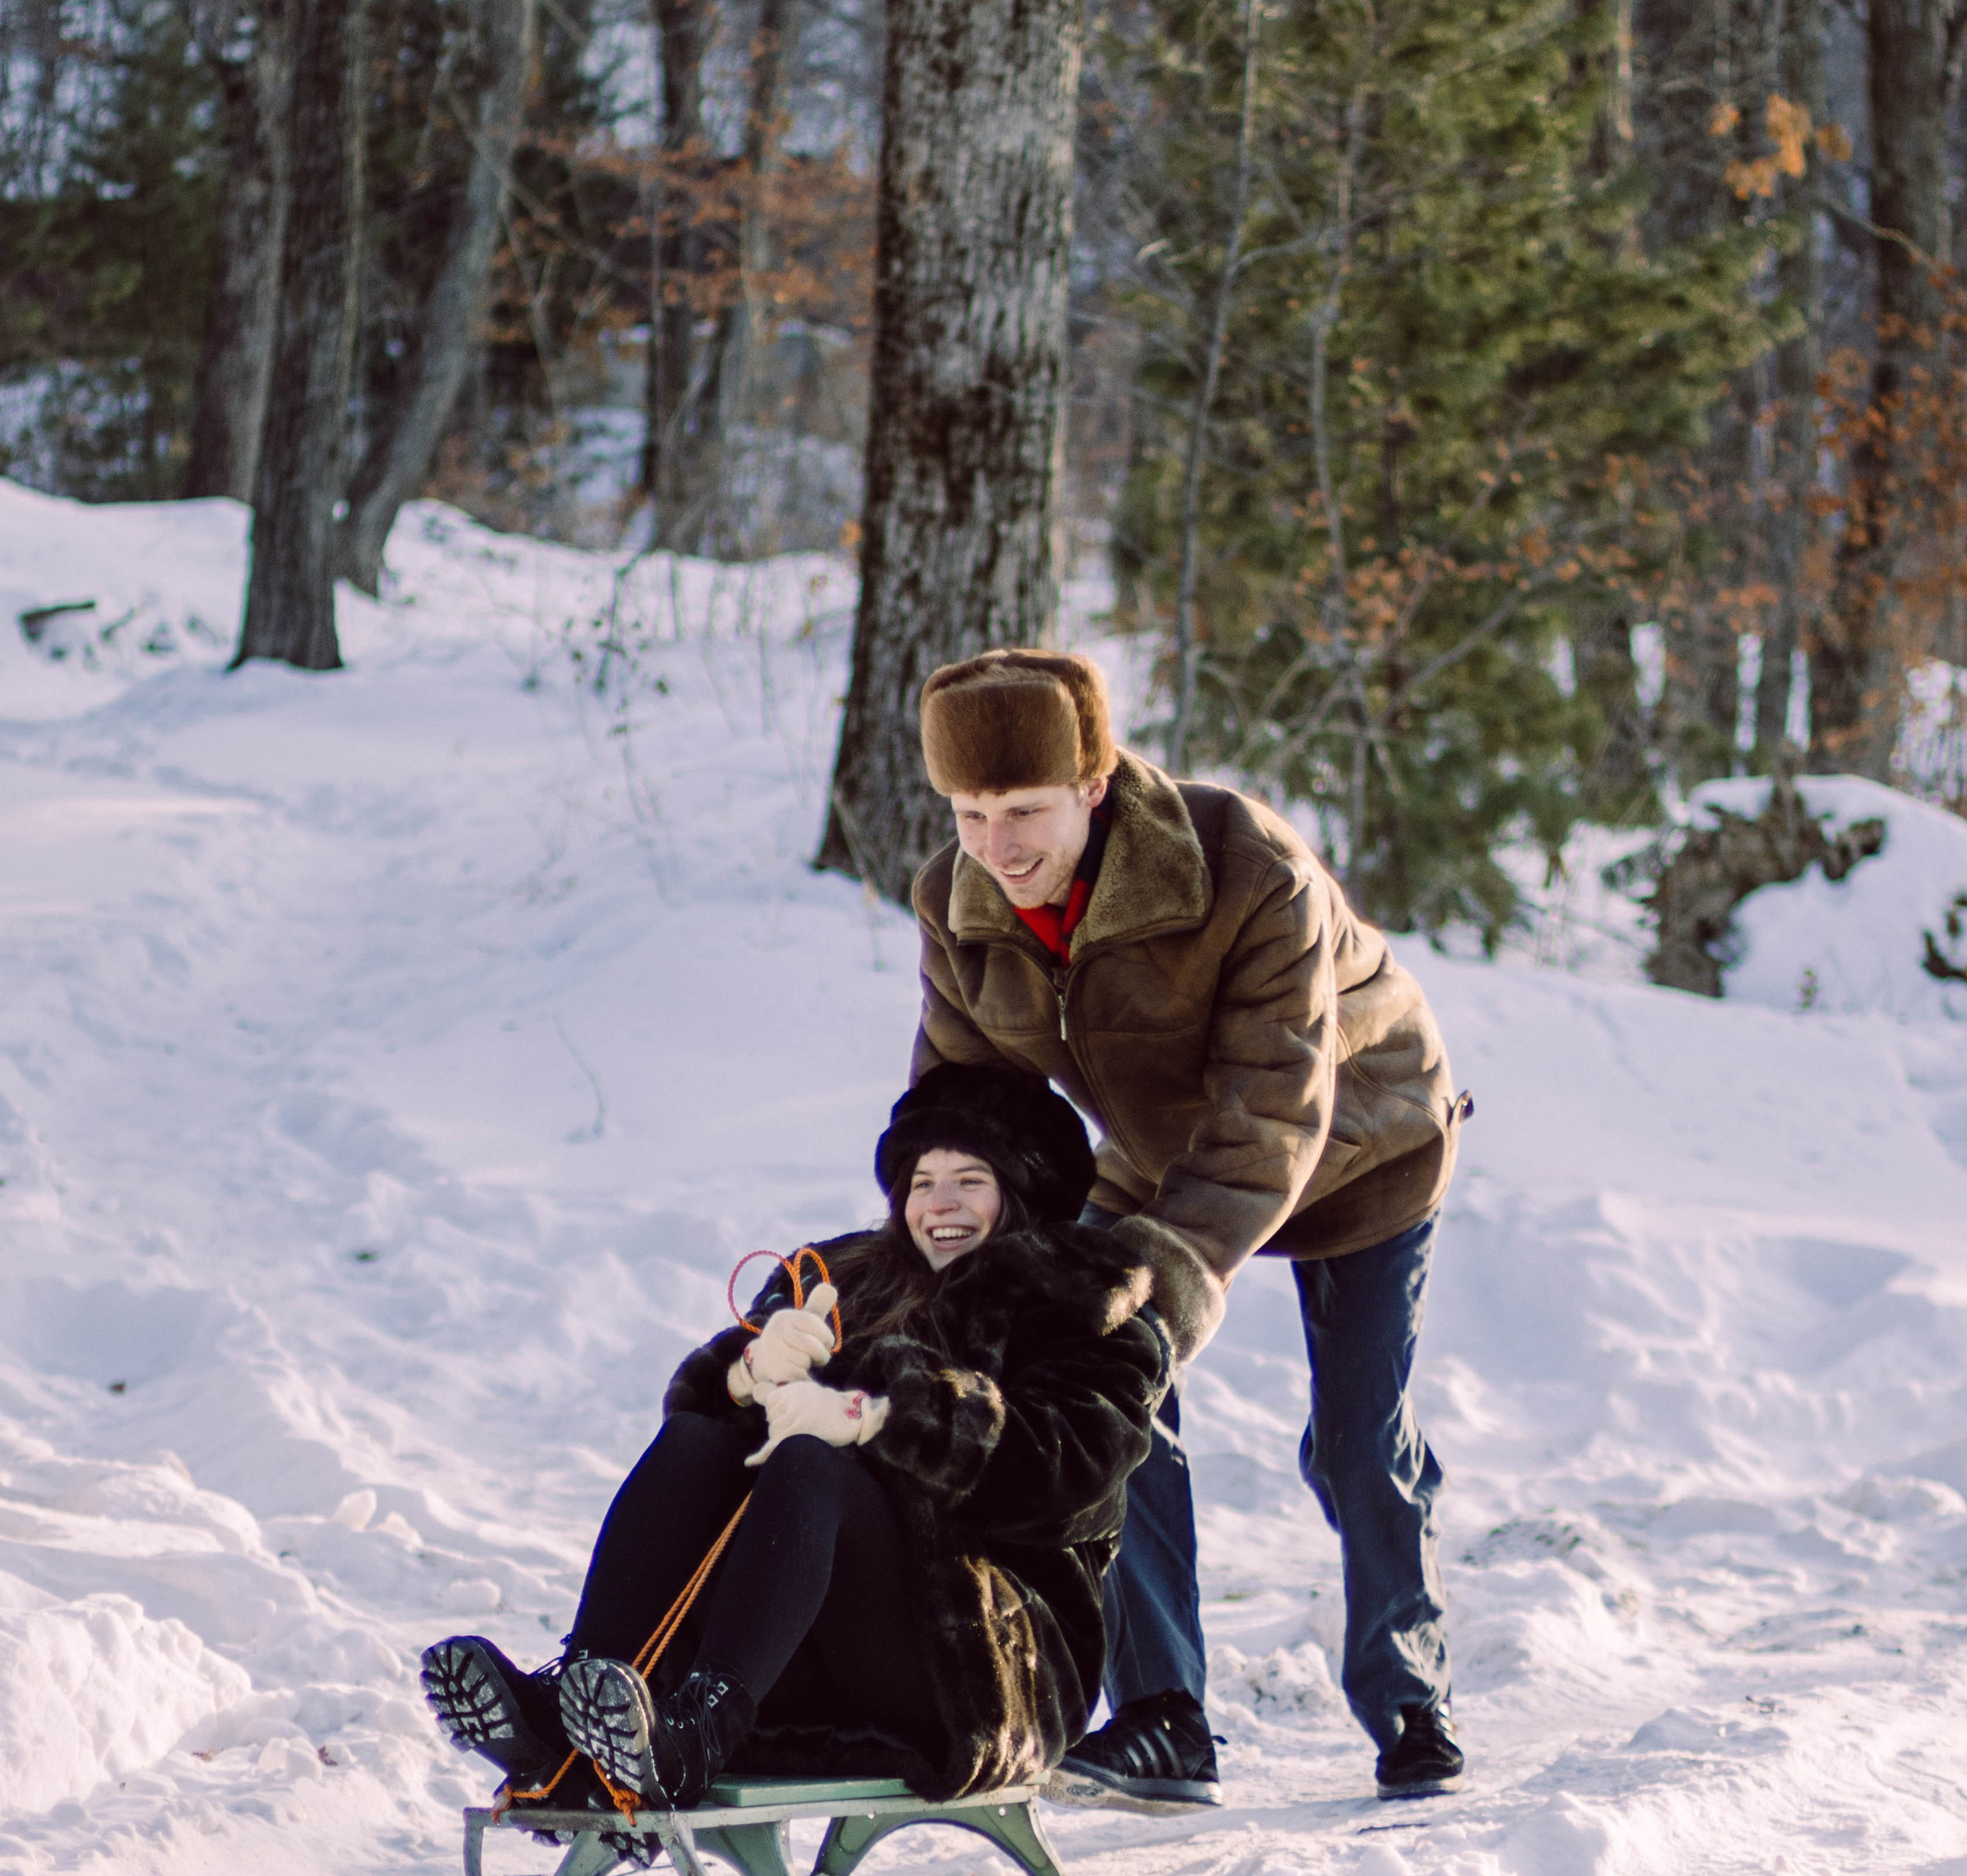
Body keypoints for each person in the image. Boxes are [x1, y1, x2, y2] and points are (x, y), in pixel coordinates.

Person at [908, 646, 1471, 1807]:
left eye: (1025, 811)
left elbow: (1273, 1112)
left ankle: (1409, 1697)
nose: (996, 847)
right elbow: (966, 1104)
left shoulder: (1245, 866)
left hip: (1364, 1140)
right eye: (970, 814)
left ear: (1094, 782)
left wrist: (1157, 1282)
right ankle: (1164, 1716)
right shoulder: (958, 901)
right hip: (1162, 1150)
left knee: (1358, 1439)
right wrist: (939, 1250)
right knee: (1102, 1391)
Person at [420, 1066, 1175, 1814]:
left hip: (981, 1668)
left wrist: (881, 1416)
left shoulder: (1088, 1305)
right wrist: (749, 1372)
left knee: (814, 1465)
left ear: (1027, 1189)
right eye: (921, 1182)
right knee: (698, 1442)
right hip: (805, 1643)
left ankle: (702, 1727)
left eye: (970, 1181)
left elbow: (1068, 1472)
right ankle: (583, 1697)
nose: (939, 1204)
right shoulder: (845, 1275)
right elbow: (708, 1421)